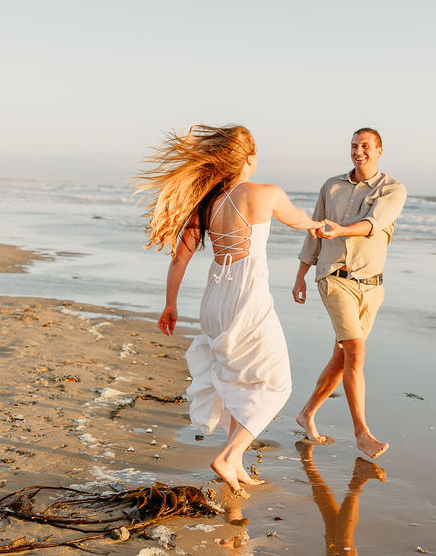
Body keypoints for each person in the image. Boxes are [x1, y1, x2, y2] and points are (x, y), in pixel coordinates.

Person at [138, 124, 325, 495]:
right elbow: (302, 222)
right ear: (250, 158)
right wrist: (323, 227)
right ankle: (229, 455)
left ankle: (235, 461)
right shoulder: (266, 193)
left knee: (231, 378)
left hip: (213, 299)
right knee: (276, 382)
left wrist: (170, 304)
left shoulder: (204, 203)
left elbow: (179, 259)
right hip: (247, 297)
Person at [292, 127, 406, 459]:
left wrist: (342, 229)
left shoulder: (393, 190)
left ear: (380, 151)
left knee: (342, 358)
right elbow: (314, 232)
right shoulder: (332, 186)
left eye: (366, 146)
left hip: (372, 286)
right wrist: (301, 275)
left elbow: (374, 223)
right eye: (354, 146)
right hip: (334, 278)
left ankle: (306, 413)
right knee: (356, 352)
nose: (359, 151)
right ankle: (362, 433)